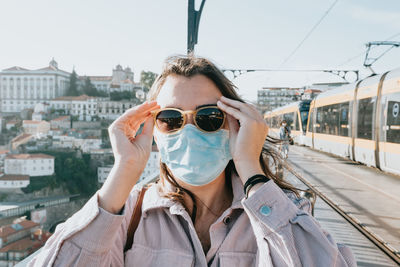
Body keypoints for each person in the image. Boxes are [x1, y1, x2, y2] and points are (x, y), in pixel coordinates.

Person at [28, 55, 356, 266]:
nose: (189, 131)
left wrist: (252, 172)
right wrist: (123, 173)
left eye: (209, 117)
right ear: (153, 129)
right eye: (170, 118)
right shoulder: (126, 216)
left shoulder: (282, 211)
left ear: (236, 123)